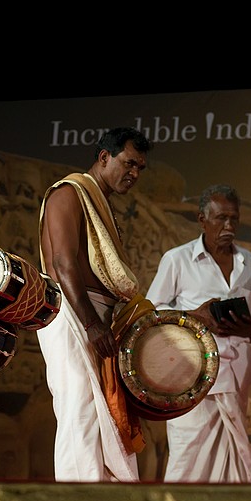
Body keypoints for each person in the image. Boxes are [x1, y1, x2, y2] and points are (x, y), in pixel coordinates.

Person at [36, 127, 153, 482]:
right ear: (104, 157)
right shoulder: (68, 193)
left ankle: (106, 499)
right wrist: (91, 323)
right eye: (128, 163)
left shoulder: (100, 202)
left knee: (107, 417)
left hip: (98, 318)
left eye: (140, 168)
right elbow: (62, 263)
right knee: (80, 411)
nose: (134, 173)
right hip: (74, 316)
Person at [145, 184, 251, 483]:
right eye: (220, 218)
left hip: (235, 377)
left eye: (234, 219)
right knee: (188, 456)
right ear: (202, 220)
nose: (229, 226)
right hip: (191, 375)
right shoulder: (177, 260)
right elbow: (151, 313)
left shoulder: (249, 263)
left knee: (234, 456)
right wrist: (195, 317)